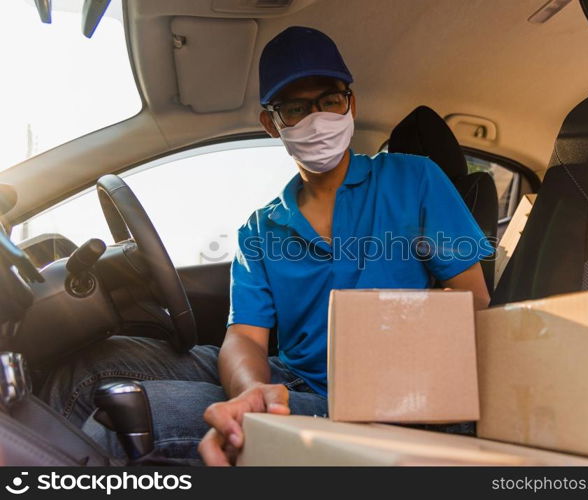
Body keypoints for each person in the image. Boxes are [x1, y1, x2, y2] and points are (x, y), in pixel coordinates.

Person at [43, 26, 493, 465]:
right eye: (295, 108)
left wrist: (394, 350)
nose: (318, 119)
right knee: (85, 373)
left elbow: (472, 301)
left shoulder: (414, 179)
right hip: (291, 376)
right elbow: (245, 336)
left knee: (120, 419)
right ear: (271, 123)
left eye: (330, 101)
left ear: (350, 103)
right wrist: (250, 392)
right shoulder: (259, 229)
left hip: (385, 399)